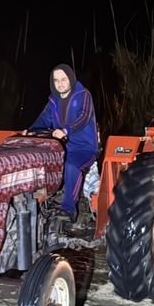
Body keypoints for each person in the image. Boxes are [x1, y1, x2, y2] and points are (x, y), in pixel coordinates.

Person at [27, 64, 98, 223]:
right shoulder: (53, 101)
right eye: (56, 80)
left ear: (71, 79)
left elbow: (84, 117)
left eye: (64, 79)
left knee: (71, 166)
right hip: (60, 148)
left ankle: (69, 210)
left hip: (84, 148)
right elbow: (43, 119)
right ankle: (42, 205)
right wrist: (29, 132)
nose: (60, 84)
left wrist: (66, 130)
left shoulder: (83, 95)